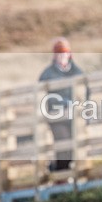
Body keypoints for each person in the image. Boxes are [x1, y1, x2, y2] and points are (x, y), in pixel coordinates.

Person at [39, 37, 86, 172]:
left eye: (64, 52)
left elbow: (86, 93)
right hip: (56, 117)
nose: (62, 56)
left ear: (69, 54)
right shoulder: (47, 74)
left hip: (75, 116)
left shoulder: (77, 72)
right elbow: (44, 97)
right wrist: (65, 104)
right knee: (63, 143)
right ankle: (61, 174)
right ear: (54, 55)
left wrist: (84, 112)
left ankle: (69, 172)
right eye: (58, 53)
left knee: (76, 143)